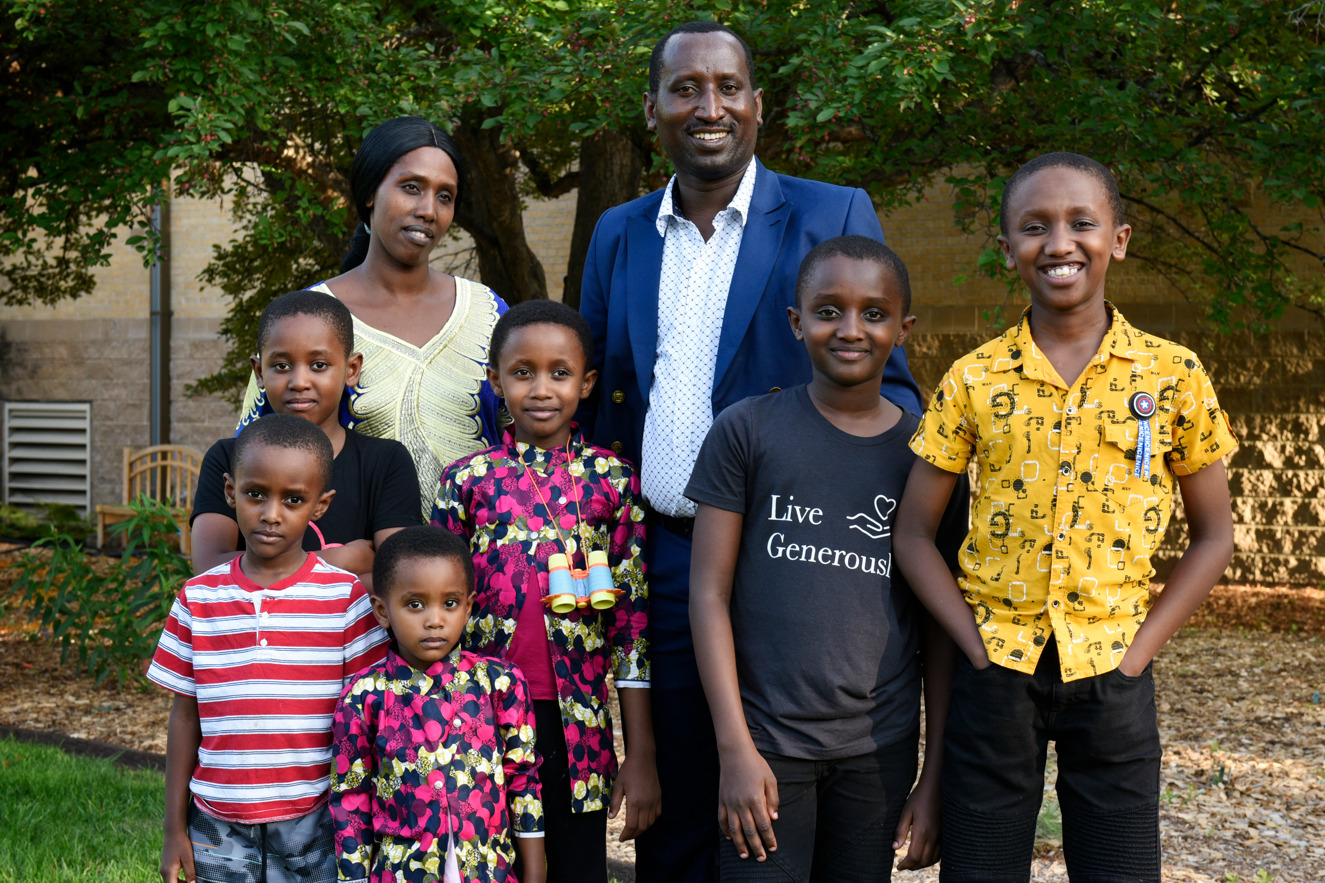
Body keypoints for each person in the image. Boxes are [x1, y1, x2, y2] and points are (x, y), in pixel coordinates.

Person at [576, 20, 923, 882]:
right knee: (677, 814)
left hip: (790, 561)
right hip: (659, 556)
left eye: (728, 87)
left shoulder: (829, 211)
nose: (709, 106)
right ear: (652, 106)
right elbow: (598, 407)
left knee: (776, 817)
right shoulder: (618, 232)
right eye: (686, 88)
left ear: (758, 106)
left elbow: (899, 392)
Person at [895, 152, 1238, 882]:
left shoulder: (1170, 374)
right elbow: (912, 534)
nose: (1058, 243)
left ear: (1117, 238)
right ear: (1007, 246)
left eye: (1081, 222)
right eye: (1034, 226)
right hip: (995, 672)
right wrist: (972, 646)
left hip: (1113, 666)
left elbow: (1214, 535)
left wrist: (1139, 650)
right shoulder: (974, 377)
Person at [688, 237, 963, 881]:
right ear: (795, 321)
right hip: (765, 750)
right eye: (828, 310)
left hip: (878, 753)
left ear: (903, 329)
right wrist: (734, 748)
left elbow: (939, 626)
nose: (851, 329)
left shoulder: (928, 454)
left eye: (874, 313)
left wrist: (933, 777)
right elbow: (707, 595)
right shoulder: (747, 429)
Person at [432, 300, 658, 883]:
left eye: (559, 373)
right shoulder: (467, 482)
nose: (540, 388)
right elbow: (438, 610)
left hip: (577, 723)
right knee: (487, 862)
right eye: (522, 372)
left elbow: (631, 626)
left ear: (586, 383)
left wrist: (642, 755)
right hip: (479, 716)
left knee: (576, 866)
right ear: (495, 380)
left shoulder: (614, 481)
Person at [149, 413, 389, 883]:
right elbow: (184, 715)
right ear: (229, 491)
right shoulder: (198, 599)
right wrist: (173, 830)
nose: (271, 513)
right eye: (255, 493)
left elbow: (368, 719)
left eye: (293, 499)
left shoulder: (346, 599)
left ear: (320, 505)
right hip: (214, 820)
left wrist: (367, 824)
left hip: (316, 821)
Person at [239, 116, 507, 518]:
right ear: (370, 193)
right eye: (411, 187)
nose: (428, 210)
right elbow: (252, 453)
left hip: (479, 569)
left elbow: (530, 444)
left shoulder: (487, 313)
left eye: (445, 196)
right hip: (346, 567)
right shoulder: (307, 317)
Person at [330, 526, 545, 883]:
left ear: (468, 606)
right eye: (415, 604)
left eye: (450, 603)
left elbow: (523, 778)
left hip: (489, 872)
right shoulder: (363, 696)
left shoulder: (501, 683)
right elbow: (350, 799)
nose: (434, 619)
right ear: (383, 611)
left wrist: (535, 871)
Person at [193, 290, 421, 579]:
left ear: (351, 370)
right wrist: (342, 559)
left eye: (318, 365)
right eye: (281, 366)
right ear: (259, 372)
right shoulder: (228, 458)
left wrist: (263, 574)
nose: (299, 382)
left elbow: (397, 576)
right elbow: (209, 568)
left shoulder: (386, 462)